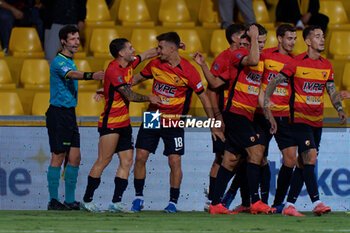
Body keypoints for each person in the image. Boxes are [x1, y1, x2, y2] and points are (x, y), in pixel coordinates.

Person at [130, 32, 223, 213]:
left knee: (174, 161)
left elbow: (204, 98)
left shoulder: (189, 71)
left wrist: (212, 123)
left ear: (172, 48)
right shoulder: (155, 64)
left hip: (174, 120)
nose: (158, 51)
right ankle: (138, 197)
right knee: (140, 156)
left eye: (161, 47)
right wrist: (114, 87)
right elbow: (136, 79)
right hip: (153, 116)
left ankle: (173, 202)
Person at [264, 25, 346, 216]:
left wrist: (339, 108)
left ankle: (289, 205)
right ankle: (316, 202)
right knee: (310, 157)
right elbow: (274, 82)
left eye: (323, 37)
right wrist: (267, 105)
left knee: (303, 162)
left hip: (317, 121)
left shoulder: (327, 65)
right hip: (299, 120)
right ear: (308, 41)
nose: (322, 40)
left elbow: (331, 90)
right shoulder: (296, 62)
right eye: (317, 37)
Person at [80, 39, 161, 213]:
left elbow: (147, 54)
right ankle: (87, 200)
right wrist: (149, 98)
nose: (134, 49)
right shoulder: (114, 70)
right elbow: (129, 95)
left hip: (124, 123)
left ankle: (116, 202)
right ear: (121, 53)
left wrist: (170, 47)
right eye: (130, 48)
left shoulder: (130, 63)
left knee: (127, 161)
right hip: (111, 123)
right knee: (104, 160)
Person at [45, 25, 104, 210]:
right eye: (72, 39)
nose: (77, 42)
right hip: (58, 114)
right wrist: (92, 75)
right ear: (63, 41)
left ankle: (69, 201)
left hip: (69, 114)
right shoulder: (59, 61)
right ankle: (53, 201)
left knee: (75, 158)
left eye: (78, 38)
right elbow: (72, 75)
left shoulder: (70, 60)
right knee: (58, 156)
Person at [252, 24, 298, 212]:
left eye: (295, 39)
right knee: (258, 157)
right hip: (262, 115)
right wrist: (266, 108)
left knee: (290, 160)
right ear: (279, 39)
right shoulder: (265, 56)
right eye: (289, 38)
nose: (292, 42)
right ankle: (260, 202)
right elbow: (256, 84)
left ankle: (278, 203)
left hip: (284, 117)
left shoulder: (295, 62)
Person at [201, 23, 246, 212]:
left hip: (242, 114)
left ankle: (228, 196)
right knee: (221, 157)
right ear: (235, 38)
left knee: (245, 157)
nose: (247, 40)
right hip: (225, 114)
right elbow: (211, 90)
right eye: (244, 36)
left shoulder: (248, 57)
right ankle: (212, 201)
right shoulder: (224, 58)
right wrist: (216, 118)